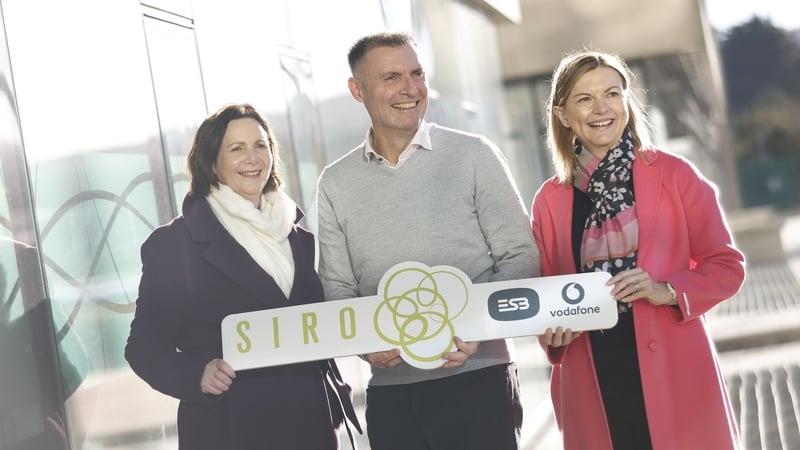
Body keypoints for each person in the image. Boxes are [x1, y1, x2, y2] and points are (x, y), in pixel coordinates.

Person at [316, 31, 540, 450]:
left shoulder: (475, 155)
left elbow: (520, 256)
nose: (410, 88)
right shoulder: (334, 182)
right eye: (392, 77)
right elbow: (337, 289)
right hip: (392, 394)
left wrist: (477, 323)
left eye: (417, 73)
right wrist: (365, 346)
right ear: (357, 89)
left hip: (480, 380)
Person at [531, 49, 746, 450]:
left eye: (612, 94)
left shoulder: (675, 175)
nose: (602, 108)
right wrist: (554, 333)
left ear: (626, 101)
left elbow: (727, 266)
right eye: (584, 98)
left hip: (674, 372)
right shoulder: (549, 200)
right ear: (562, 115)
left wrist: (664, 289)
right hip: (592, 378)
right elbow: (544, 292)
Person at [125, 103, 360, 450]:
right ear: (211, 162)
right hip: (231, 429)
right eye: (236, 148)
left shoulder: (298, 237)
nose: (253, 158)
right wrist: (197, 376)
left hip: (310, 427)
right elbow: (143, 348)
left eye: (261, 145)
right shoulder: (175, 245)